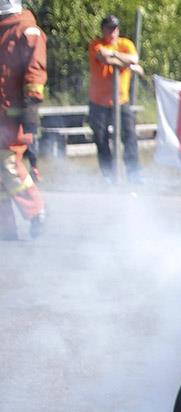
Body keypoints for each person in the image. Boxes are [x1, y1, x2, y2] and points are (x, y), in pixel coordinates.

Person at [0, 0, 46, 239]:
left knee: (7, 164)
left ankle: (36, 209)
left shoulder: (27, 30)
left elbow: (34, 73)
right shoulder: (4, 28)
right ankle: (6, 230)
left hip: (13, 116)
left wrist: (30, 109)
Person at [88, 14, 144, 184]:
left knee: (129, 136)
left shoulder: (125, 44)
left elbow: (134, 58)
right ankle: (108, 175)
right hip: (98, 102)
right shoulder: (95, 45)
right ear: (103, 30)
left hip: (121, 101)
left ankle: (134, 175)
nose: (112, 32)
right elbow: (103, 58)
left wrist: (113, 53)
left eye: (115, 29)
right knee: (100, 137)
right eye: (108, 29)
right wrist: (127, 63)